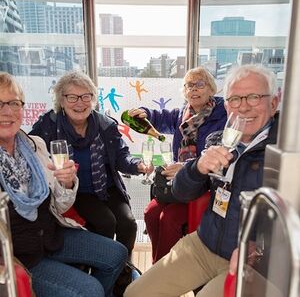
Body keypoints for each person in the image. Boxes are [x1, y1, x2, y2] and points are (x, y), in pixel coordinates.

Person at [124, 64, 279, 297]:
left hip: (248, 262)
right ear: (227, 105)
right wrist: (196, 167)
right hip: (204, 243)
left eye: (254, 97)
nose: (244, 106)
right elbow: (182, 191)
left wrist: (264, 253)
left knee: (169, 219)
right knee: (134, 293)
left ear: (274, 102)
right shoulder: (217, 137)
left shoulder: (286, 149)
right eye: (236, 99)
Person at [0, 72, 128, 297]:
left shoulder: (35, 145)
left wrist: (67, 184)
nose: (7, 111)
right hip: (19, 254)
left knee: (118, 253)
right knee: (91, 289)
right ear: (61, 100)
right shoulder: (47, 128)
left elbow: (57, 205)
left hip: (52, 234)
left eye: (13, 103)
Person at [29, 71, 147, 258]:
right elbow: (32, 151)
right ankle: (104, 267)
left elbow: (121, 157)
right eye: (72, 97)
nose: (80, 103)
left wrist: (138, 165)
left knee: (129, 224)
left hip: (107, 188)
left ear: (93, 99)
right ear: (61, 100)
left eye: (86, 96)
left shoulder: (105, 124)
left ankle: (123, 269)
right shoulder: (48, 125)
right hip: (76, 191)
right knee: (106, 222)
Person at [128, 66, 227, 263]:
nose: (194, 89)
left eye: (200, 84)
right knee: (150, 212)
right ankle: (159, 265)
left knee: (169, 219)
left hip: (206, 186)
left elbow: (220, 158)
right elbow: (158, 117)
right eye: (189, 85)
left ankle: (164, 277)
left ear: (211, 89)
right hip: (179, 184)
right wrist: (143, 112)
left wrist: (187, 167)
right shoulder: (182, 114)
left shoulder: (223, 115)